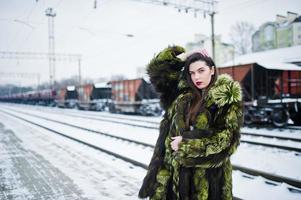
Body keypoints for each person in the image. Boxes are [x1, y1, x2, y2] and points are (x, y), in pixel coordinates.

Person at [138, 45, 243, 200]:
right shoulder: (181, 96)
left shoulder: (224, 98)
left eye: (201, 70)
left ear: (212, 70)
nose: (197, 77)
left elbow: (227, 141)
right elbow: (158, 74)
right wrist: (183, 57)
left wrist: (186, 145)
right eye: (192, 73)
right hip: (172, 183)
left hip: (206, 186)